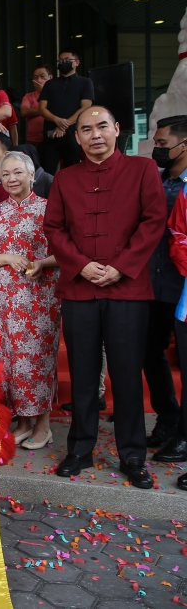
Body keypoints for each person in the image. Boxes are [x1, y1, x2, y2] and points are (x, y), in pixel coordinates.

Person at [44, 106, 165, 489]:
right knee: (82, 373)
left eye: (102, 127)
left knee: (127, 373)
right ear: (76, 137)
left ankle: (132, 454)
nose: (95, 135)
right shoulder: (64, 178)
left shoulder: (142, 170)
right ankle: (79, 448)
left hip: (127, 287)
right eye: (85, 129)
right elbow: (54, 228)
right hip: (80, 288)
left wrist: (121, 266)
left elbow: (153, 221)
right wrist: (80, 265)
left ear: (116, 129)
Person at [0, 151, 60, 449]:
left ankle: (43, 424)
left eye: (18, 173)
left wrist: (42, 263)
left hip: (41, 300)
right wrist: (8, 257)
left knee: (39, 360)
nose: (11, 179)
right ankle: (23, 422)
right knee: (11, 362)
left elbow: (65, 251)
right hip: (6, 301)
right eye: (6, 174)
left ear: (31, 175)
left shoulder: (49, 209)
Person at [142, 116, 187, 460]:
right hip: (154, 287)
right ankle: (168, 419)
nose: (156, 149)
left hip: (184, 288)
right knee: (149, 353)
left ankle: (184, 434)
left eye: (161, 144)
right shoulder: (155, 181)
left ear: (182, 146)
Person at [38, 49, 95, 173]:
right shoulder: (50, 84)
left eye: (68, 60)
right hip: (50, 135)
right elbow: (42, 108)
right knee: (46, 173)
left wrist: (64, 126)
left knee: (72, 173)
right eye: (61, 60)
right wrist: (57, 120)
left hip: (72, 134)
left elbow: (85, 107)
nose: (63, 63)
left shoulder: (85, 82)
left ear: (77, 63)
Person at [21, 65, 51, 145]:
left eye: (42, 76)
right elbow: (24, 112)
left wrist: (44, 92)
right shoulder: (28, 96)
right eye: (35, 77)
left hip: (53, 138)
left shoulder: (57, 94)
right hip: (33, 140)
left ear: (50, 77)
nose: (39, 80)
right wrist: (44, 109)